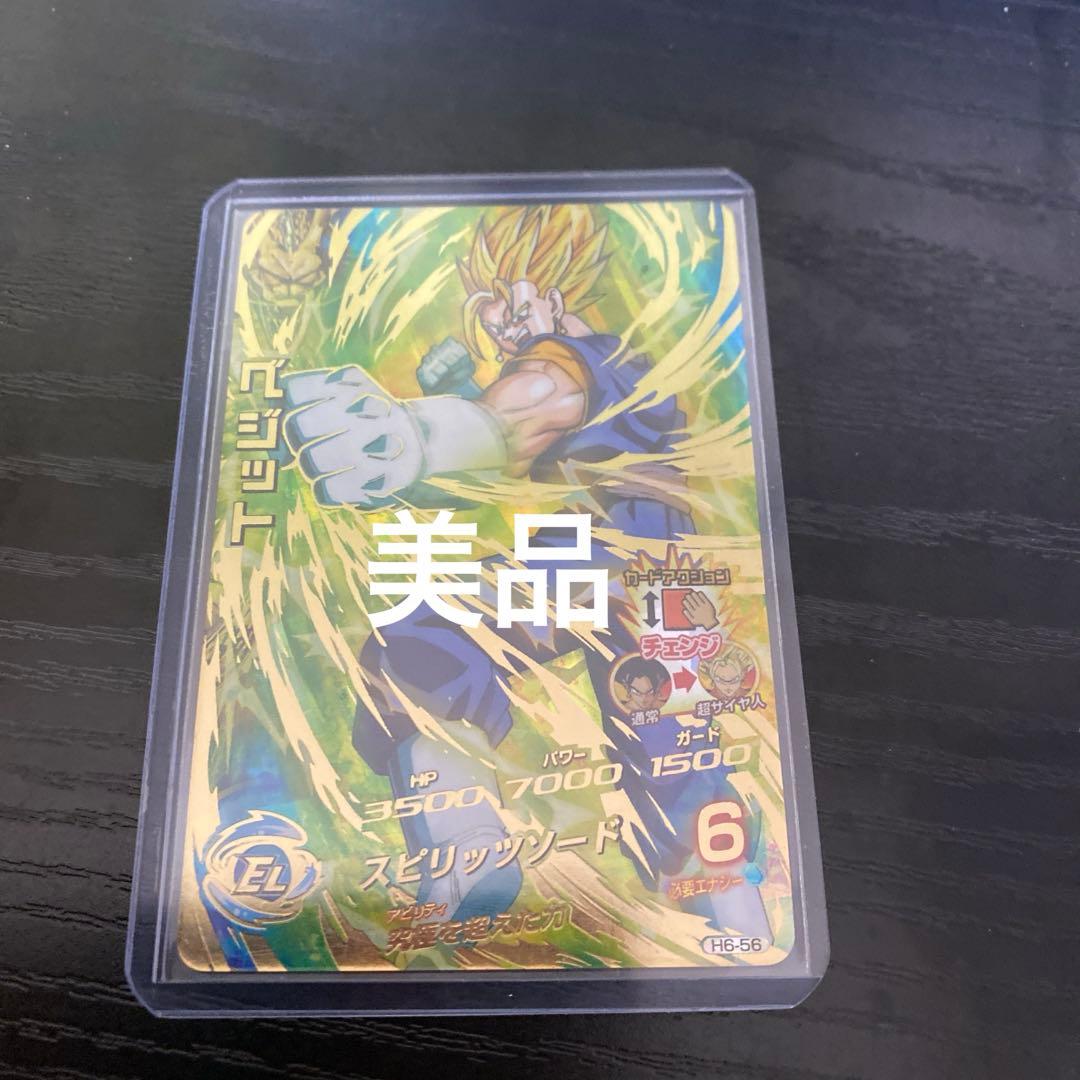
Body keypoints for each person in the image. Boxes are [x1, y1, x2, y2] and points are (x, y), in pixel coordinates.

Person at [281, 206, 771, 939]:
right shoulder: (594, 365)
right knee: (672, 755)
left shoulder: (588, 358)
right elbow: (516, 426)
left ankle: (466, 842)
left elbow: (538, 401)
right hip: (660, 581)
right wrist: (449, 415)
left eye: (515, 300)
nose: (500, 321)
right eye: (488, 304)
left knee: (426, 633)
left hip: (612, 562)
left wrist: (417, 435)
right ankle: (734, 915)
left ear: (556, 296)